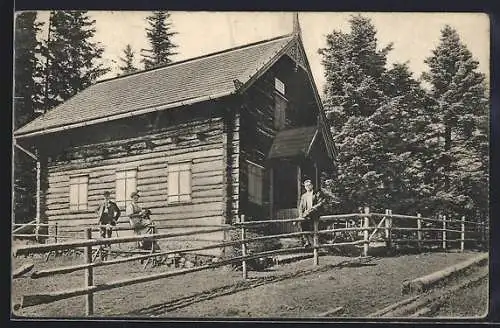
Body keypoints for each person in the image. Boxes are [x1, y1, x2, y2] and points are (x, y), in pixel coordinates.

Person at [298, 179, 325, 248]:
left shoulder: (317, 194)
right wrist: (301, 215)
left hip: (314, 214)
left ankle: (317, 244)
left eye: (309, 185)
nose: (307, 187)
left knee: (315, 231)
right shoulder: (303, 196)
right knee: (301, 224)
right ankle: (307, 241)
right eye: (306, 186)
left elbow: (320, 204)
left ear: (312, 186)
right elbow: (300, 207)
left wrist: (310, 210)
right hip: (306, 216)